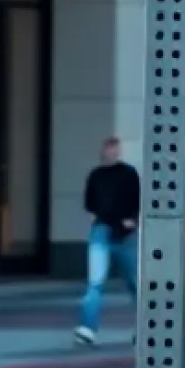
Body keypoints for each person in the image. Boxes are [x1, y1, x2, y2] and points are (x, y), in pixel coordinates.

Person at [75, 136, 140, 345]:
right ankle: (87, 328)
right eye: (108, 149)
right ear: (103, 152)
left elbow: (137, 200)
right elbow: (89, 202)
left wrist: (132, 220)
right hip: (102, 230)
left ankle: (146, 328)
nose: (111, 152)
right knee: (95, 282)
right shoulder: (96, 175)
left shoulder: (129, 174)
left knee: (136, 283)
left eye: (114, 149)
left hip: (125, 233)